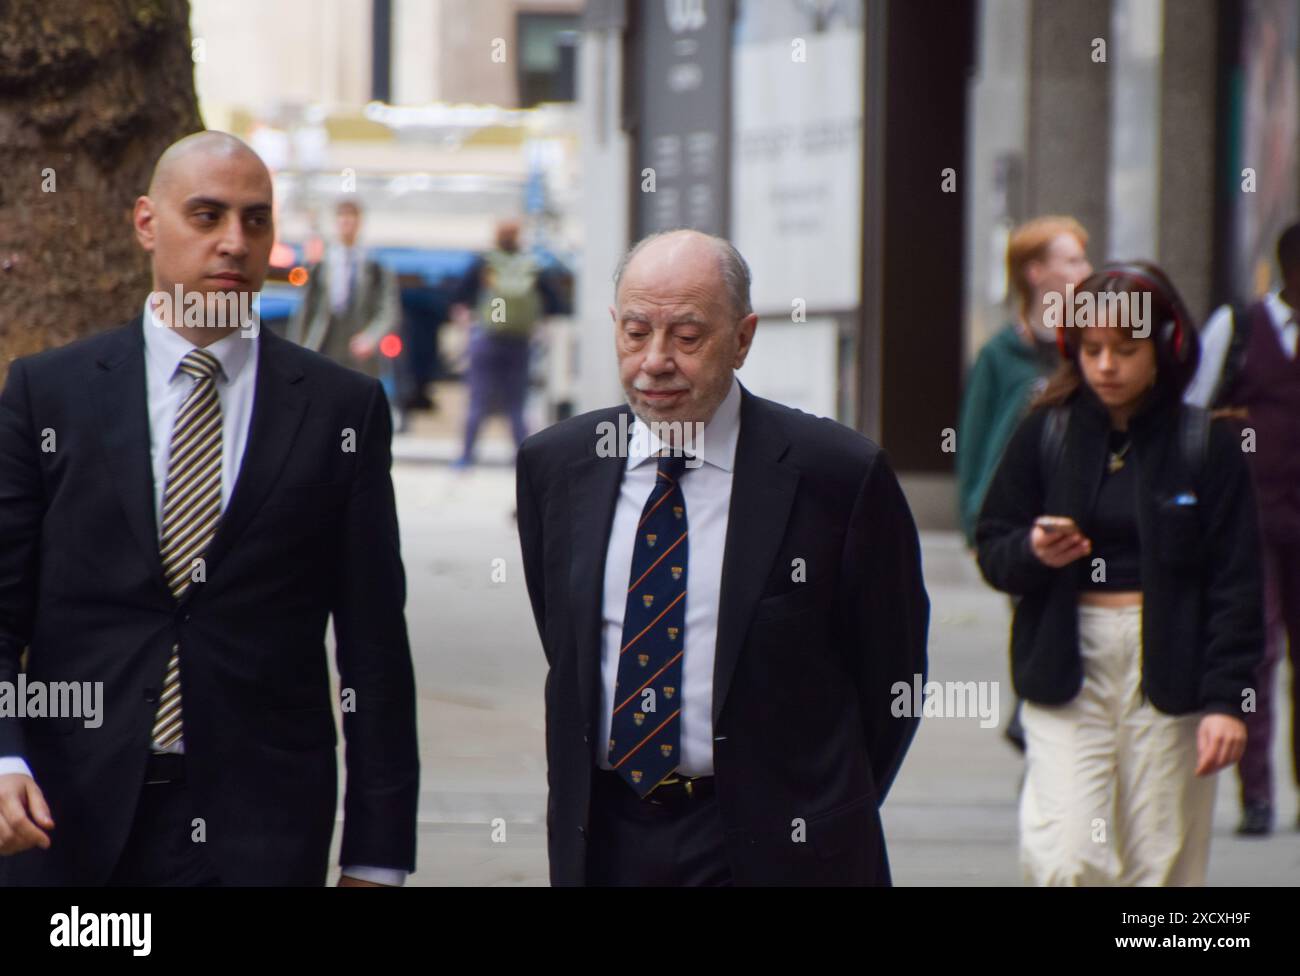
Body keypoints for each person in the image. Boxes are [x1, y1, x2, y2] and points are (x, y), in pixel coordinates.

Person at [0, 132, 419, 886]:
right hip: (65, 817)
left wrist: (377, 856)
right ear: (145, 224)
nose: (234, 242)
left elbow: (375, 647)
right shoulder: (49, 394)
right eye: (207, 215)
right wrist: (2, 757)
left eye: (256, 220)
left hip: (259, 826)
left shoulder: (339, 410)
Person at [515, 229, 929, 886]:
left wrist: (822, 811)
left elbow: (892, 677)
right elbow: (564, 645)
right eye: (635, 331)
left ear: (742, 338)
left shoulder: (838, 477)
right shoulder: (557, 466)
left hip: (781, 847)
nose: (655, 360)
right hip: (608, 839)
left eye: (686, 336)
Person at [977, 262, 1263, 886]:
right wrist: (1032, 548)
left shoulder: (1207, 445)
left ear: (1167, 347)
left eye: (1125, 351)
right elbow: (993, 545)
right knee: (1066, 859)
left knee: (1159, 868)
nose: (1106, 365)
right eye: (1091, 349)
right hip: (1066, 661)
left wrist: (1227, 702)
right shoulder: (1044, 432)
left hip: (1172, 669)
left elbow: (1238, 587)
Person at [956, 216, 1091, 751]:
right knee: (1038, 614)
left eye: (1085, 258)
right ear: (1036, 273)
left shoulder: (1090, 346)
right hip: (1020, 521)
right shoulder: (1000, 354)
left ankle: (1037, 719)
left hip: (1079, 510)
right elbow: (974, 439)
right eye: (1073, 260)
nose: (1085, 269)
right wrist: (974, 518)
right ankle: (1037, 717)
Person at [1184, 220, 1300, 837]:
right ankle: (1257, 794)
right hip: (1251, 521)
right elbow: (1189, 409)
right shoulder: (1237, 329)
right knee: (1259, 652)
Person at [451, 218, 561, 468]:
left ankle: (466, 457)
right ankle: (523, 458)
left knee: (477, 400)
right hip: (520, 343)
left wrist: (467, 323)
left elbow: (458, 297)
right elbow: (554, 302)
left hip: (486, 340)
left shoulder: (484, 263)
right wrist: (539, 326)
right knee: (516, 405)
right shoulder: (531, 265)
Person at [288, 198, 401, 382]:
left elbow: (388, 309)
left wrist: (371, 338)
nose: (346, 222)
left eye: (352, 217)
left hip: (358, 347)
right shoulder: (322, 264)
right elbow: (306, 310)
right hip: (325, 342)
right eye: (342, 217)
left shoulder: (374, 266)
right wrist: (298, 348)